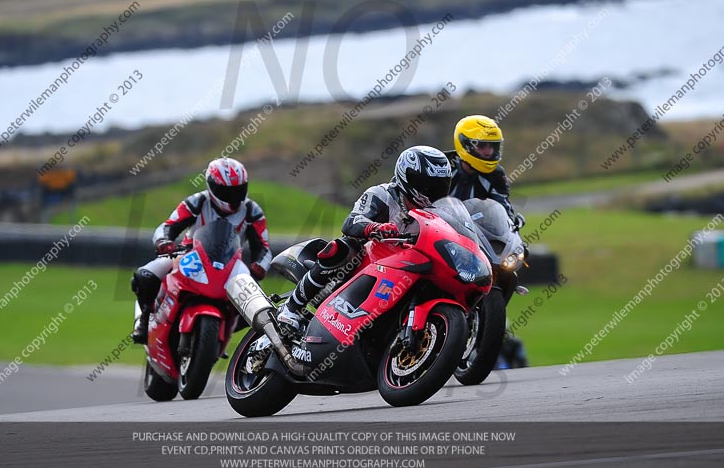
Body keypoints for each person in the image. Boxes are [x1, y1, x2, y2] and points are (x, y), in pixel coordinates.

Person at [276, 146, 452, 330]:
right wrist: (375, 227)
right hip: (368, 262)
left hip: (407, 269)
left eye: (439, 186)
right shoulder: (381, 194)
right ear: (408, 178)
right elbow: (350, 222)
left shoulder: (439, 214)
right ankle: (291, 309)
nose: (432, 191)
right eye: (427, 185)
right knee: (342, 248)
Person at [130, 158, 272, 344]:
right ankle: (144, 318)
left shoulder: (252, 211)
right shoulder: (197, 202)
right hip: (189, 255)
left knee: (257, 302)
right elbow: (167, 226)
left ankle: (227, 334)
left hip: (231, 264)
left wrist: (259, 267)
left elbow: (263, 247)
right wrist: (164, 241)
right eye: (226, 191)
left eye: (238, 190)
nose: (233, 197)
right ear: (212, 187)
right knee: (145, 276)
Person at [446, 115, 524, 229]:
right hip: (440, 232)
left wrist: (511, 226)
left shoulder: (496, 175)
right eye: (482, 146)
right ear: (465, 144)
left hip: (477, 238)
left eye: (493, 146)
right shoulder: (441, 165)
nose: (489, 152)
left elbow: (504, 211)